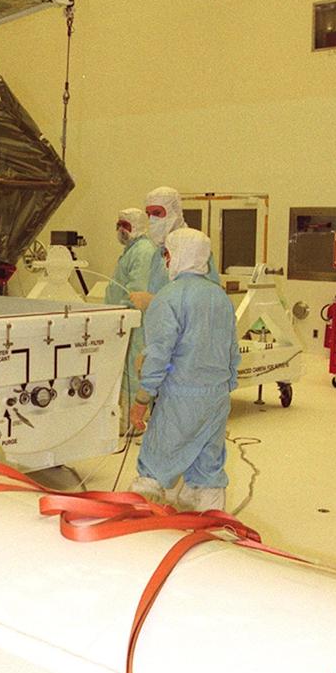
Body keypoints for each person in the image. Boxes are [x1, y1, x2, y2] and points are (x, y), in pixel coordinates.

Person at [129, 227, 240, 511]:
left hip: (182, 396)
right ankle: (211, 516)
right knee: (208, 463)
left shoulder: (169, 298)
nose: (166, 261)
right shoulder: (220, 298)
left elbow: (158, 355)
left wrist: (142, 398)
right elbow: (232, 350)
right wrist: (225, 387)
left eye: (168, 254)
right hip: (217, 396)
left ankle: (140, 514)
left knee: (155, 462)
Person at [128, 185, 219, 313]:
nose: (152, 220)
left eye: (157, 213)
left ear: (174, 212)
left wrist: (155, 301)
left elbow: (206, 302)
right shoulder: (158, 254)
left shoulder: (195, 249)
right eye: (148, 214)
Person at [103, 208, 156, 412]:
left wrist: (121, 311)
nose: (120, 230)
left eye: (125, 226)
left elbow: (136, 291)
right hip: (123, 320)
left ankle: (133, 420)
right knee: (126, 368)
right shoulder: (132, 250)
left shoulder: (142, 251)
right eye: (119, 225)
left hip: (135, 322)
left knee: (133, 371)